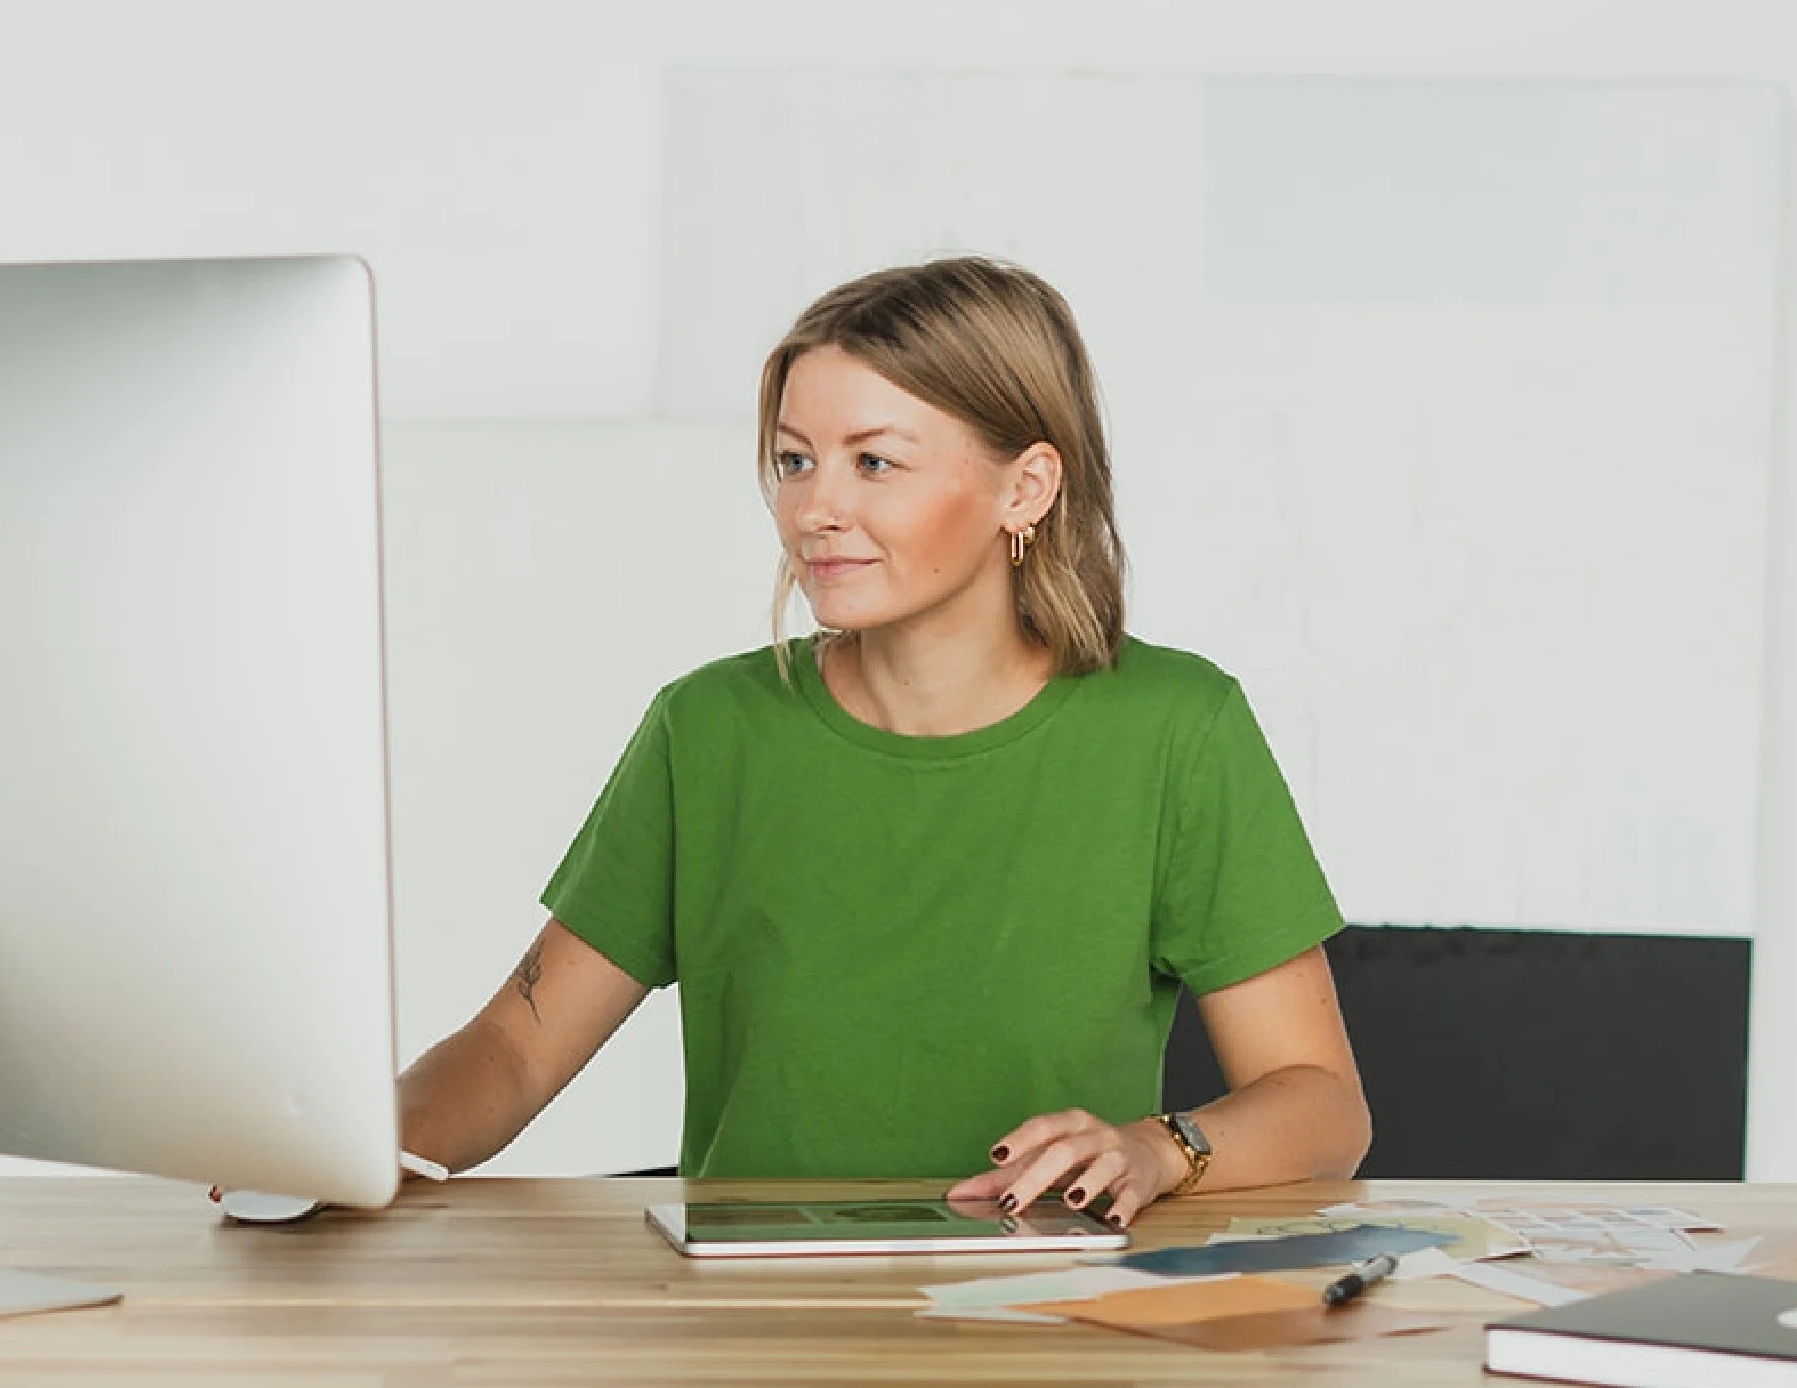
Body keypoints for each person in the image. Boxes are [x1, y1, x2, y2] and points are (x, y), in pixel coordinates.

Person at [395, 257, 1369, 1229]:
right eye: (793, 459)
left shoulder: (1176, 727)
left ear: (1025, 487)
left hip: (1051, 1326)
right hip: (755, 1333)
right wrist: (365, 1147)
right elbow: (514, 1051)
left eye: (874, 461)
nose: (815, 508)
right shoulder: (706, 730)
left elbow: (1322, 1101)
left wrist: (1157, 1148)